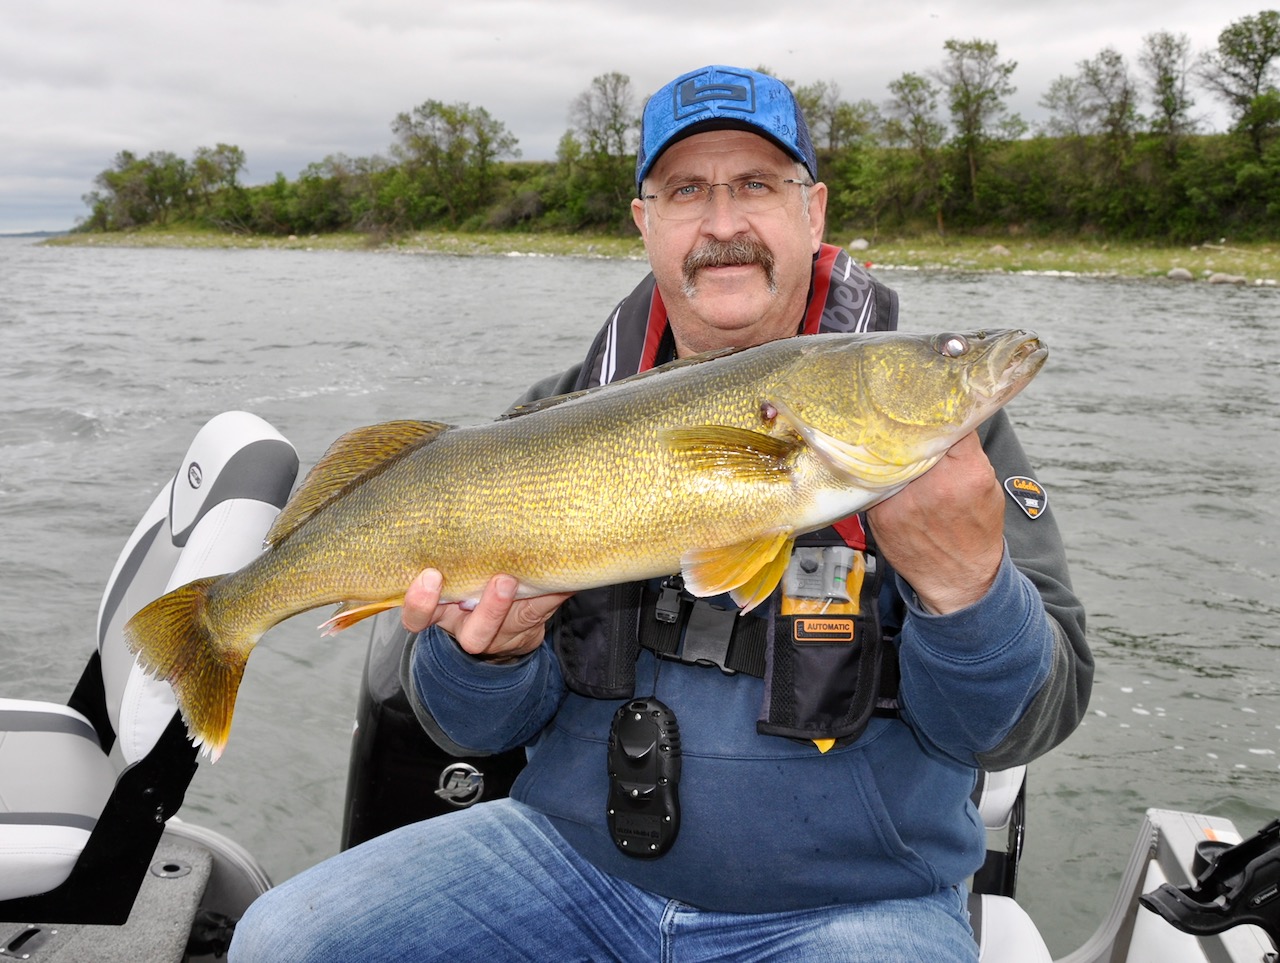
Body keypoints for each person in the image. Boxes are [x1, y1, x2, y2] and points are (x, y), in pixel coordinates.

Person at [229, 64, 1091, 963]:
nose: (723, 224)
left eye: (757, 184)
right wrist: (492, 652)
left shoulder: (957, 454)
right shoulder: (550, 416)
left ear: (814, 212)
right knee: (284, 940)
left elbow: (1023, 725)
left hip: (854, 904)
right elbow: (472, 732)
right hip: (567, 865)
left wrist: (967, 591)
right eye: (687, 191)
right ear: (646, 222)